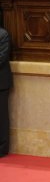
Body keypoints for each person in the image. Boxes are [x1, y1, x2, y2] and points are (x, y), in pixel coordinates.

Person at [0, 27, 12, 157]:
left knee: (1, 117)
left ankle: (2, 149)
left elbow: (1, 58)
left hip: (1, 83)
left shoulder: (2, 34)